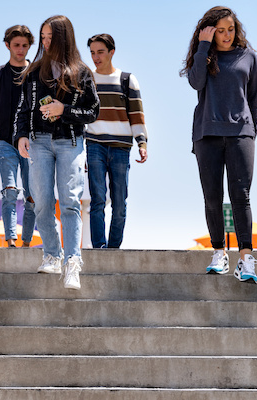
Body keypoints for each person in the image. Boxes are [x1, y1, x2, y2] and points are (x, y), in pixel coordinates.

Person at [15, 15, 99, 289]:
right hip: (38, 142)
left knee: (70, 202)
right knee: (40, 200)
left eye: (51, 37)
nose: (46, 42)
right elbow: (23, 109)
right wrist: (21, 135)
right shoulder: (33, 71)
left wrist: (65, 111)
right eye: (43, 37)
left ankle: (72, 262)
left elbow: (93, 111)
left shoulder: (82, 72)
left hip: (70, 142)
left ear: (64, 38)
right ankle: (52, 254)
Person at [181, 6, 257, 281]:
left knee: (241, 197)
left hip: (241, 134)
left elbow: (254, 97)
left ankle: (247, 258)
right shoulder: (203, 56)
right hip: (207, 134)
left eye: (230, 30)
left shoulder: (249, 56)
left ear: (236, 30)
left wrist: (252, 130)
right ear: (210, 32)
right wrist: (203, 46)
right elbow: (195, 82)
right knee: (212, 197)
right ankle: (219, 253)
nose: (226, 35)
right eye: (220, 31)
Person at [85, 33, 148, 249]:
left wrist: (142, 142)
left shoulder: (127, 80)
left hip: (121, 148)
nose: (96, 57)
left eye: (100, 52)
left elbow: (137, 114)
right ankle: (99, 248)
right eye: (92, 52)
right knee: (97, 200)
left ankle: (113, 249)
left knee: (120, 203)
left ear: (112, 52)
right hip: (94, 145)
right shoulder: (87, 80)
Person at [0, 25, 36, 248]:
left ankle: (27, 242)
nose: (21, 49)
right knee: (10, 191)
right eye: (16, 45)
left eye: (25, 45)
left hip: (33, 143)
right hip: (4, 142)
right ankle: (11, 240)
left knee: (32, 196)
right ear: (7, 45)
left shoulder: (37, 73)